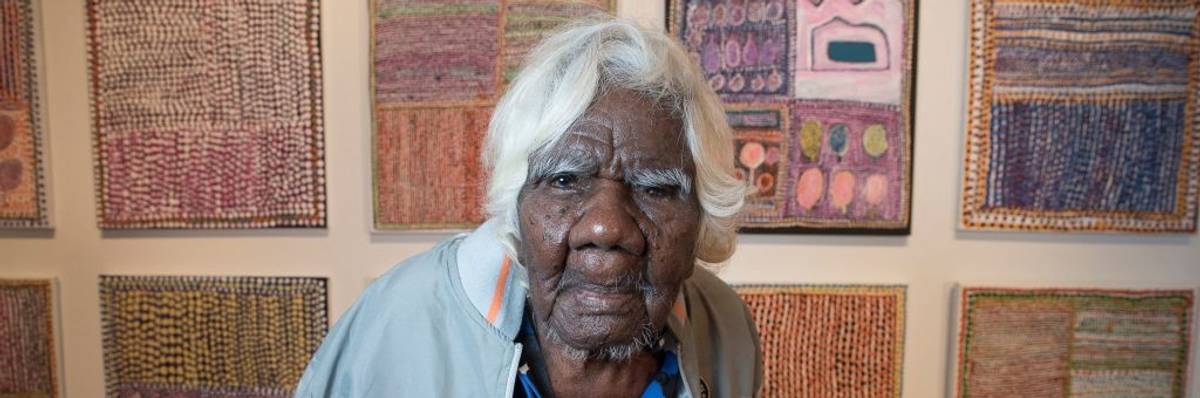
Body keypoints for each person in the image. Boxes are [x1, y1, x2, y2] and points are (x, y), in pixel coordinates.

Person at [295, 17, 762, 398]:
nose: (605, 225)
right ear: (515, 205)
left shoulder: (725, 327)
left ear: (703, 214)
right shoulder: (398, 322)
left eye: (656, 189)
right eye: (564, 181)